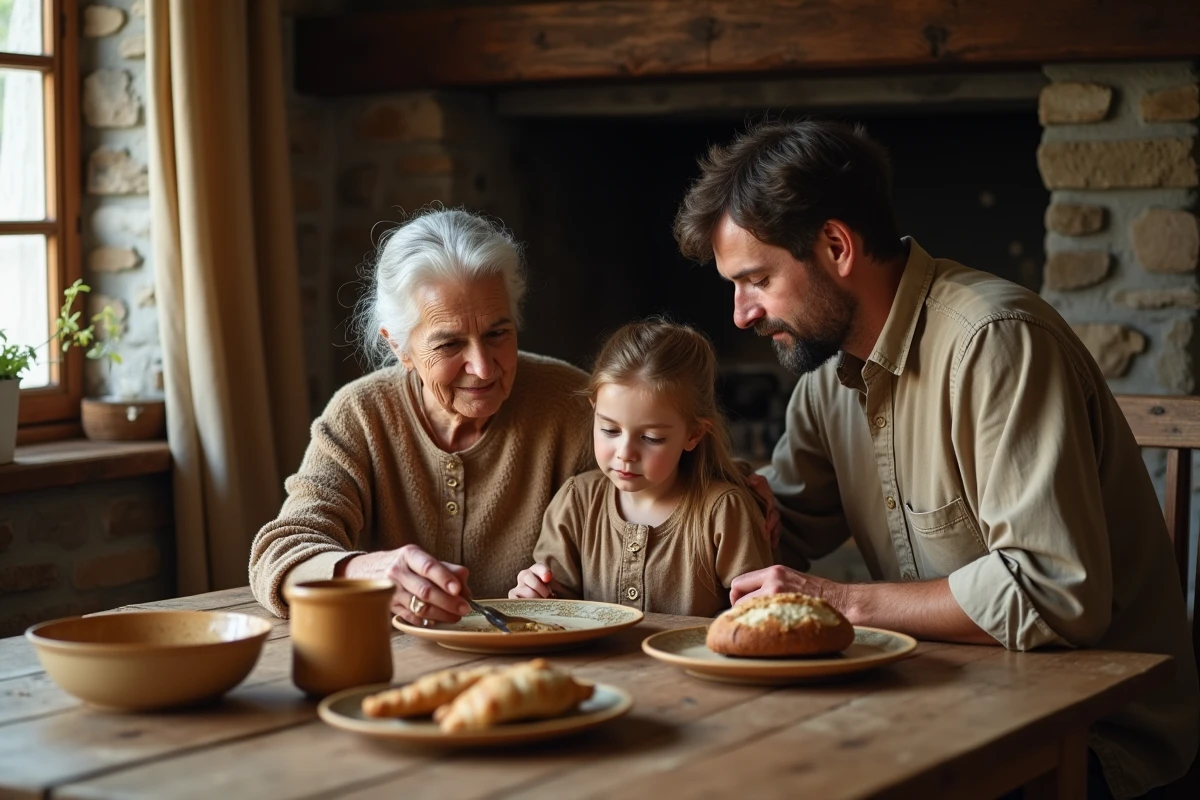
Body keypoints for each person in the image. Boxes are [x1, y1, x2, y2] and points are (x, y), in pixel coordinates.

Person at [673, 119, 1198, 798]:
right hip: (941, 702)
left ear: (836, 247)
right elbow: (778, 526)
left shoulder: (996, 342)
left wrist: (841, 601)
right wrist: (669, 507)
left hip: (1090, 735)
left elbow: (1053, 595)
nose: (741, 314)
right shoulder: (827, 380)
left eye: (757, 280)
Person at [249, 208, 594, 626]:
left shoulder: (576, 408)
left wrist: (564, 590)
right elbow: (280, 555)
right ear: (400, 347)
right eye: (449, 344)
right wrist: (365, 573)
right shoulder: (362, 414)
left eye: (497, 333)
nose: (483, 367)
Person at [510, 319, 773, 616]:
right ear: (595, 409)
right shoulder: (576, 502)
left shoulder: (723, 511)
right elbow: (555, 609)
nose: (625, 453)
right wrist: (535, 597)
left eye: (651, 438)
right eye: (610, 430)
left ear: (694, 434)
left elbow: (755, 615)